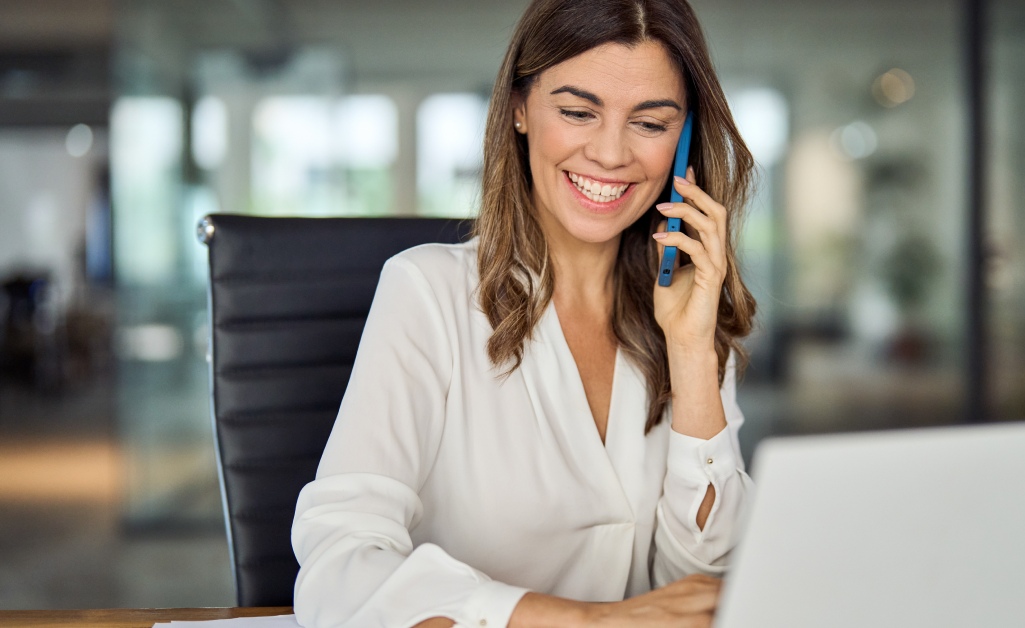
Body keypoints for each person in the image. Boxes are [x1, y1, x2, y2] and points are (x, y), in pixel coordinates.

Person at [291, 0, 757, 625]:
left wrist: (693, 353)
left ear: (683, 142)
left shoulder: (689, 317)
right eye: (576, 112)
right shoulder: (428, 291)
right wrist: (587, 621)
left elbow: (701, 591)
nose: (612, 154)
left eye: (649, 123)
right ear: (519, 108)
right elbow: (339, 565)